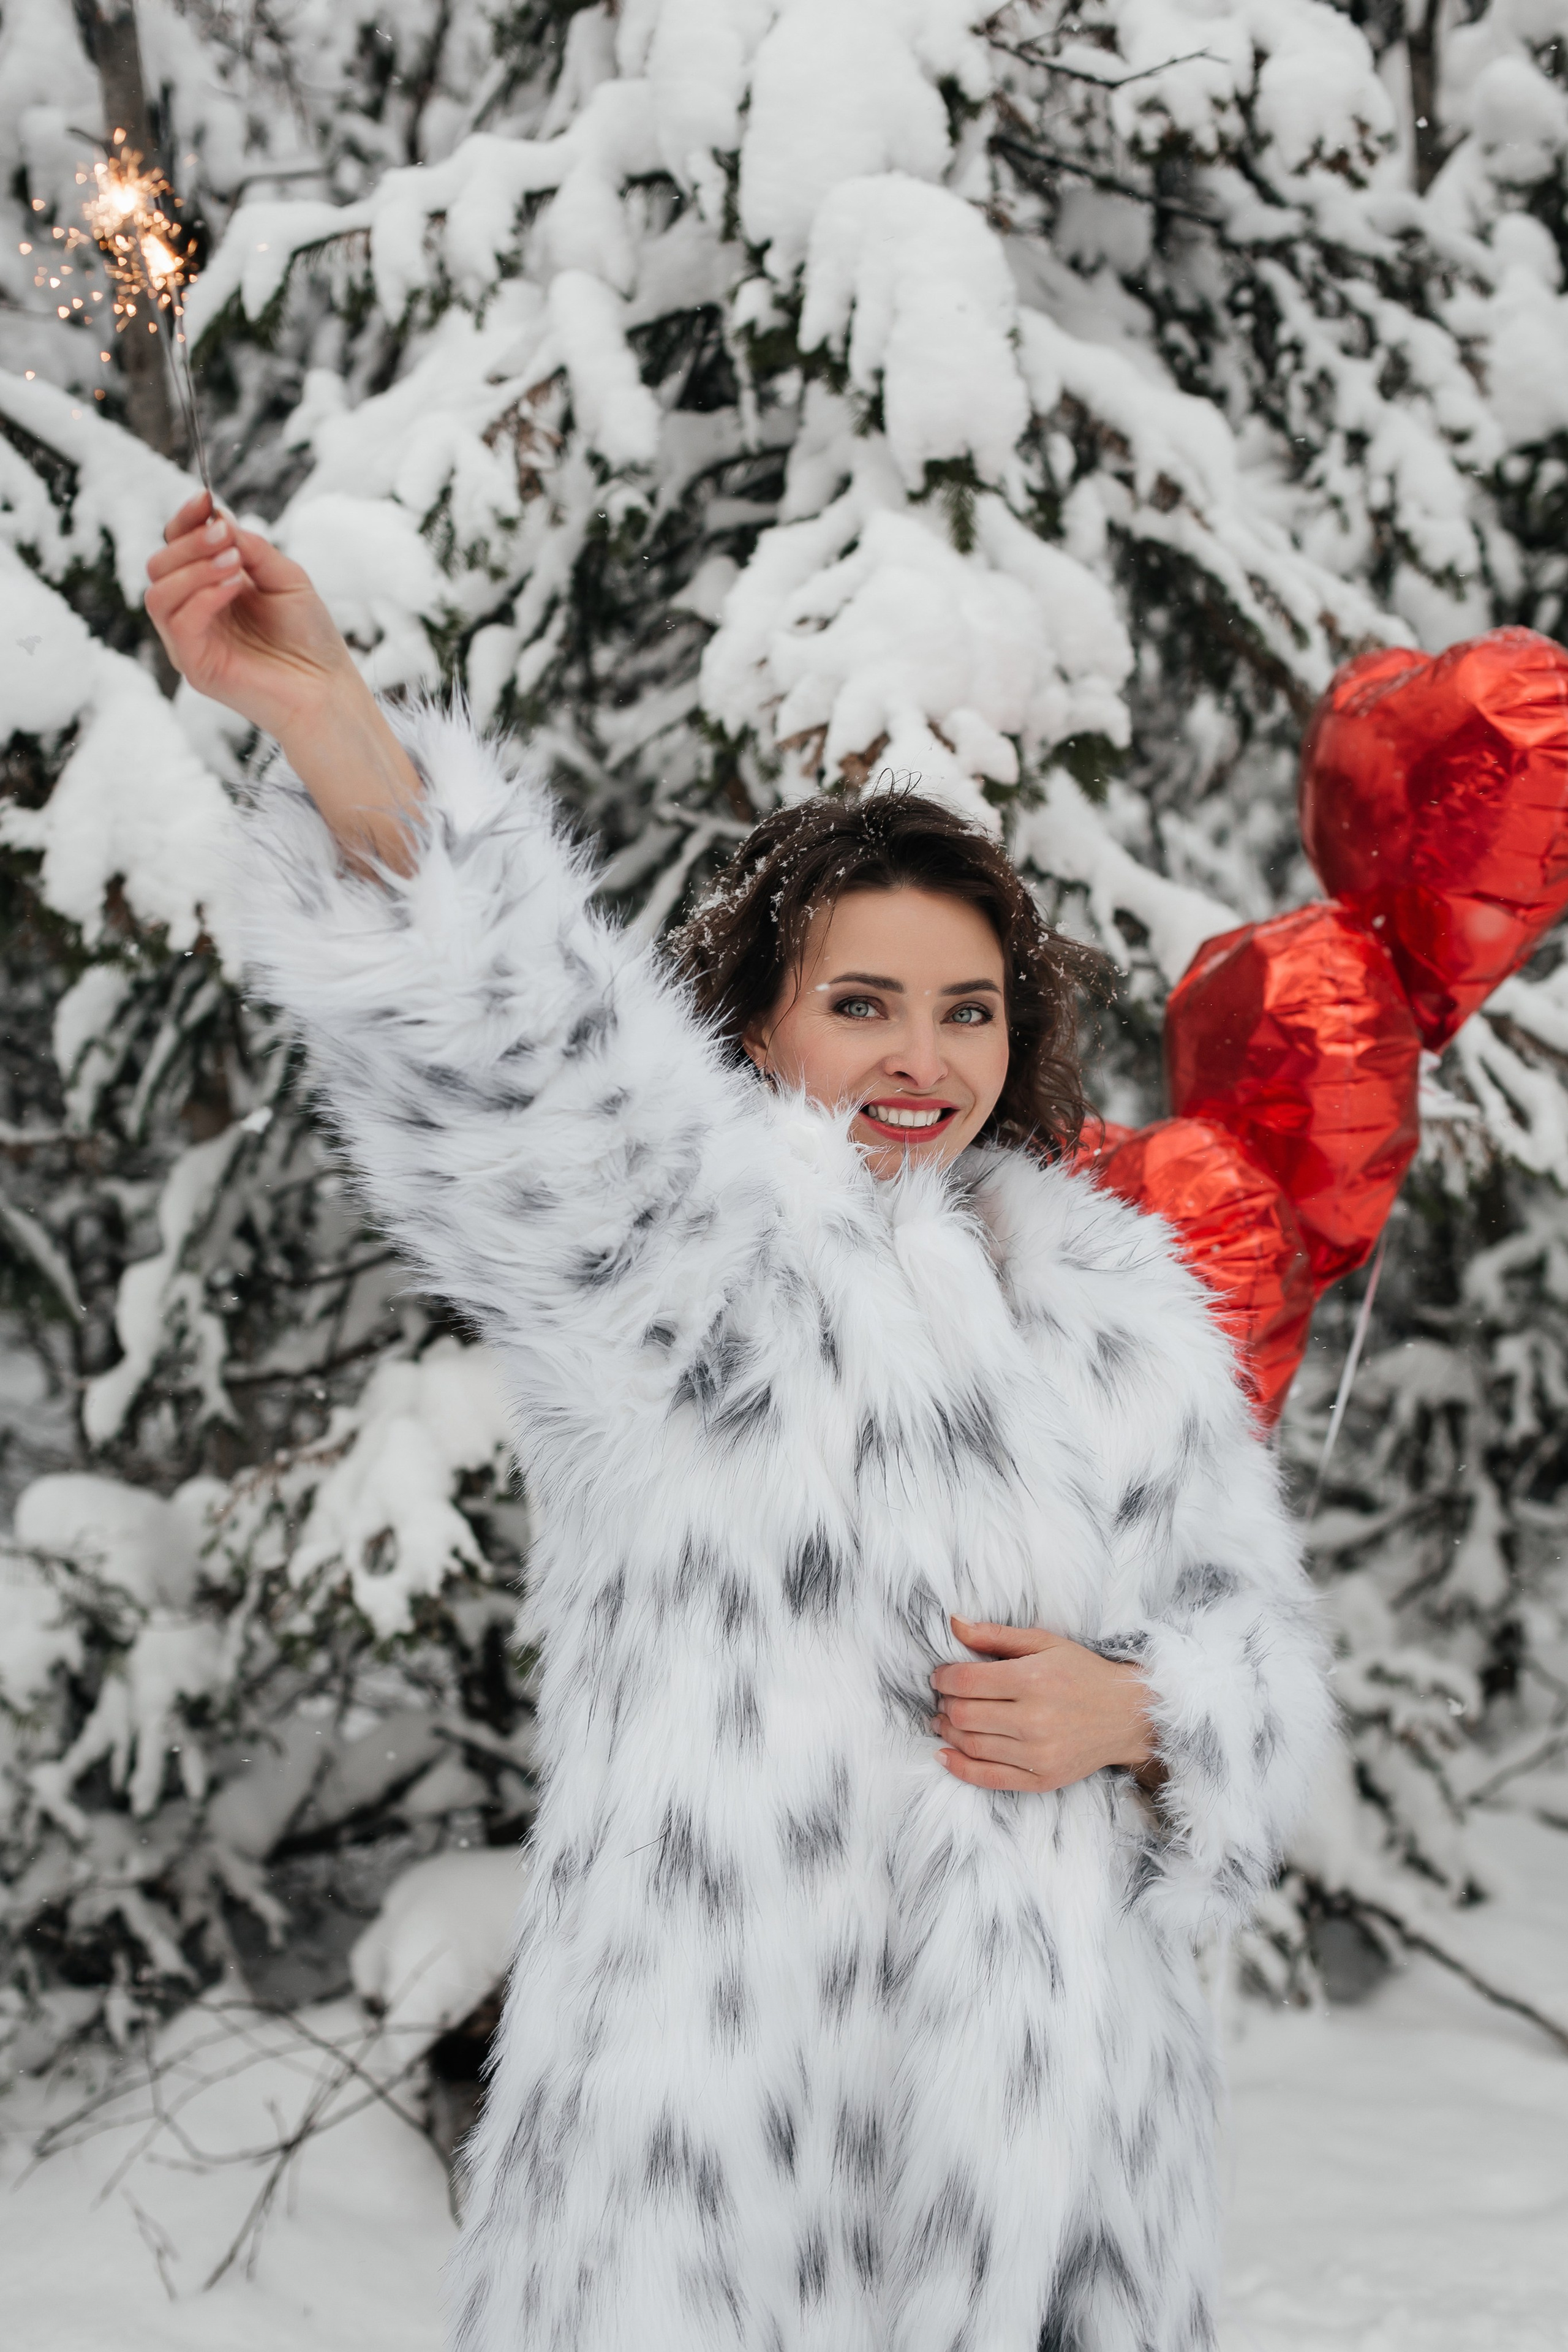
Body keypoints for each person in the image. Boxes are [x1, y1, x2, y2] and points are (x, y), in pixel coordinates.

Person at [146, 492, 1333, 2352]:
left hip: (1069, 2174)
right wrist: (326, 717)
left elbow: (1252, 1659)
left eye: (967, 1011)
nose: (922, 1059)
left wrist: (1151, 1715)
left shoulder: (1123, 1321)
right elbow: (509, 1036)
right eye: (862, 1004)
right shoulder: (688, 1277)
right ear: (761, 1032)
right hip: (725, 2175)